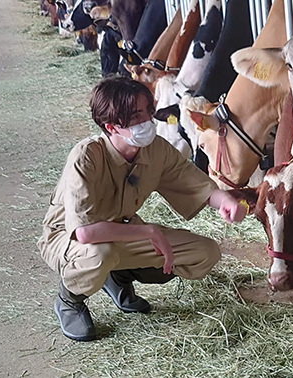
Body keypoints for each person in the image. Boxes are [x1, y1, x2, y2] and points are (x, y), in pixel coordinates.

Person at [37, 76, 247, 341]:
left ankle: (118, 275)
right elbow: (85, 233)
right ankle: (69, 299)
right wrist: (149, 232)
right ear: (112, 126)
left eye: (148, 111)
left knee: (205, 252)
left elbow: (193, 183)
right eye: (136, 117)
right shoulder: (86, 156)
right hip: (67, 237)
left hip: (121, 233)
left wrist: (225, 200)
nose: (148, 121)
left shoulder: (155, 149)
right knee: (99, 254)